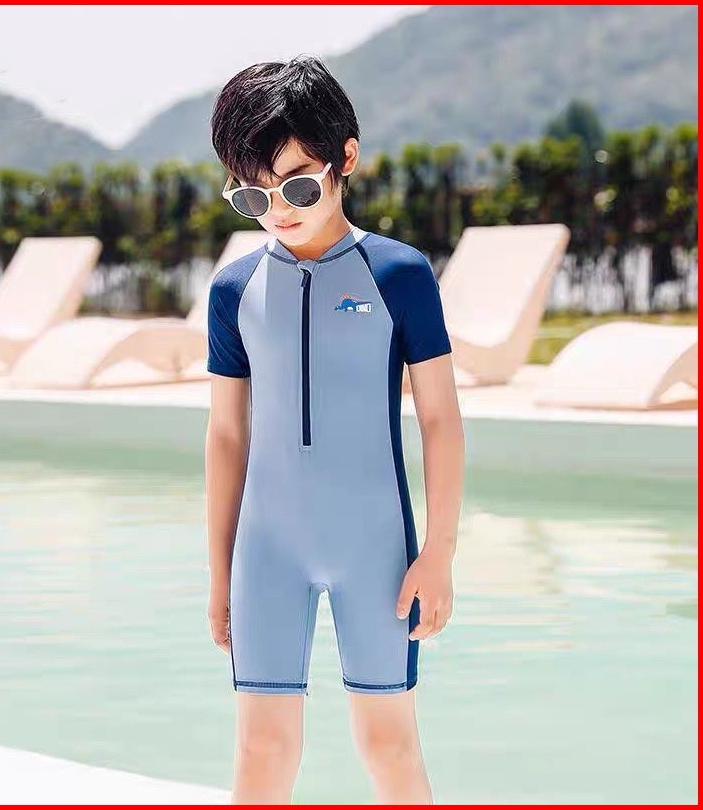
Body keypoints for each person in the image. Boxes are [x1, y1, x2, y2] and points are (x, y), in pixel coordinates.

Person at [204, 55, 465, 804]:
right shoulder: (234, 289)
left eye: (296, 185)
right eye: (252, 195)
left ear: (345, 158)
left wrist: (439, 554)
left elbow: (440, 419)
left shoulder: (399, 275)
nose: (278, 211)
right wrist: (220, 573)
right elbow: (227, 437)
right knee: (261, 749)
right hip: (266, 553)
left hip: (374, 547)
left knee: (388, 745)